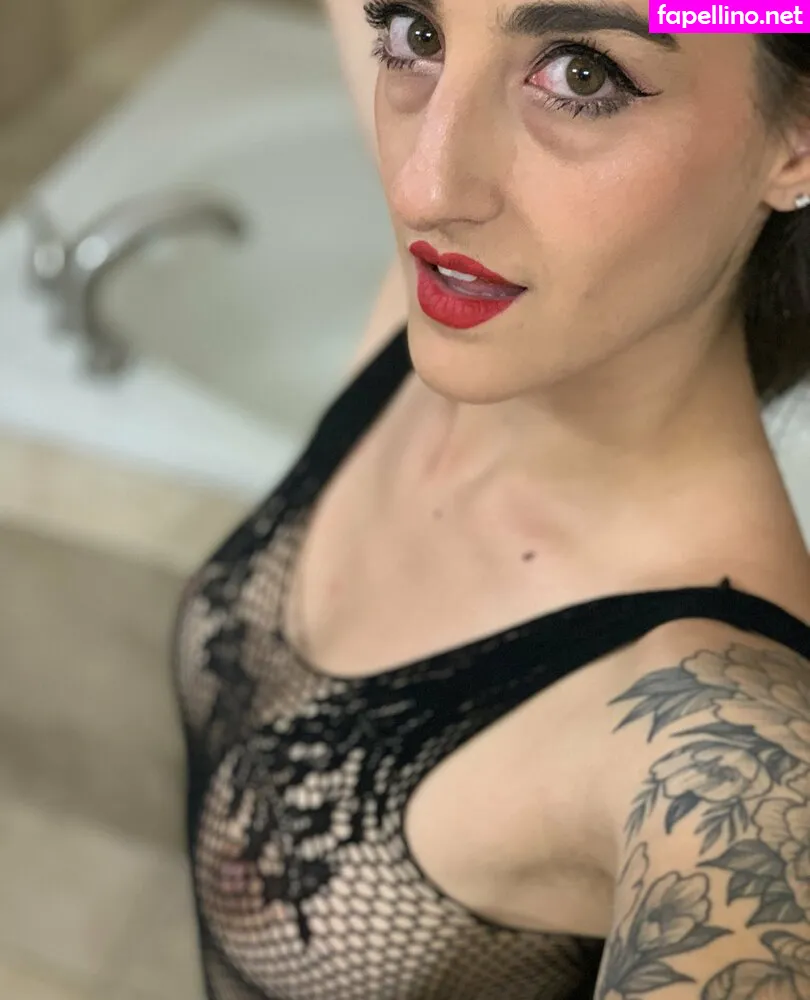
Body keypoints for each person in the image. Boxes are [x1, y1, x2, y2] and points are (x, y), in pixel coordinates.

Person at [171, 1, 810, 997]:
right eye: (414, 36)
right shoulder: (452, 302)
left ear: (796, 136)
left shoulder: (727, 746)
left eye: (582, 75)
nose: (423, 188)